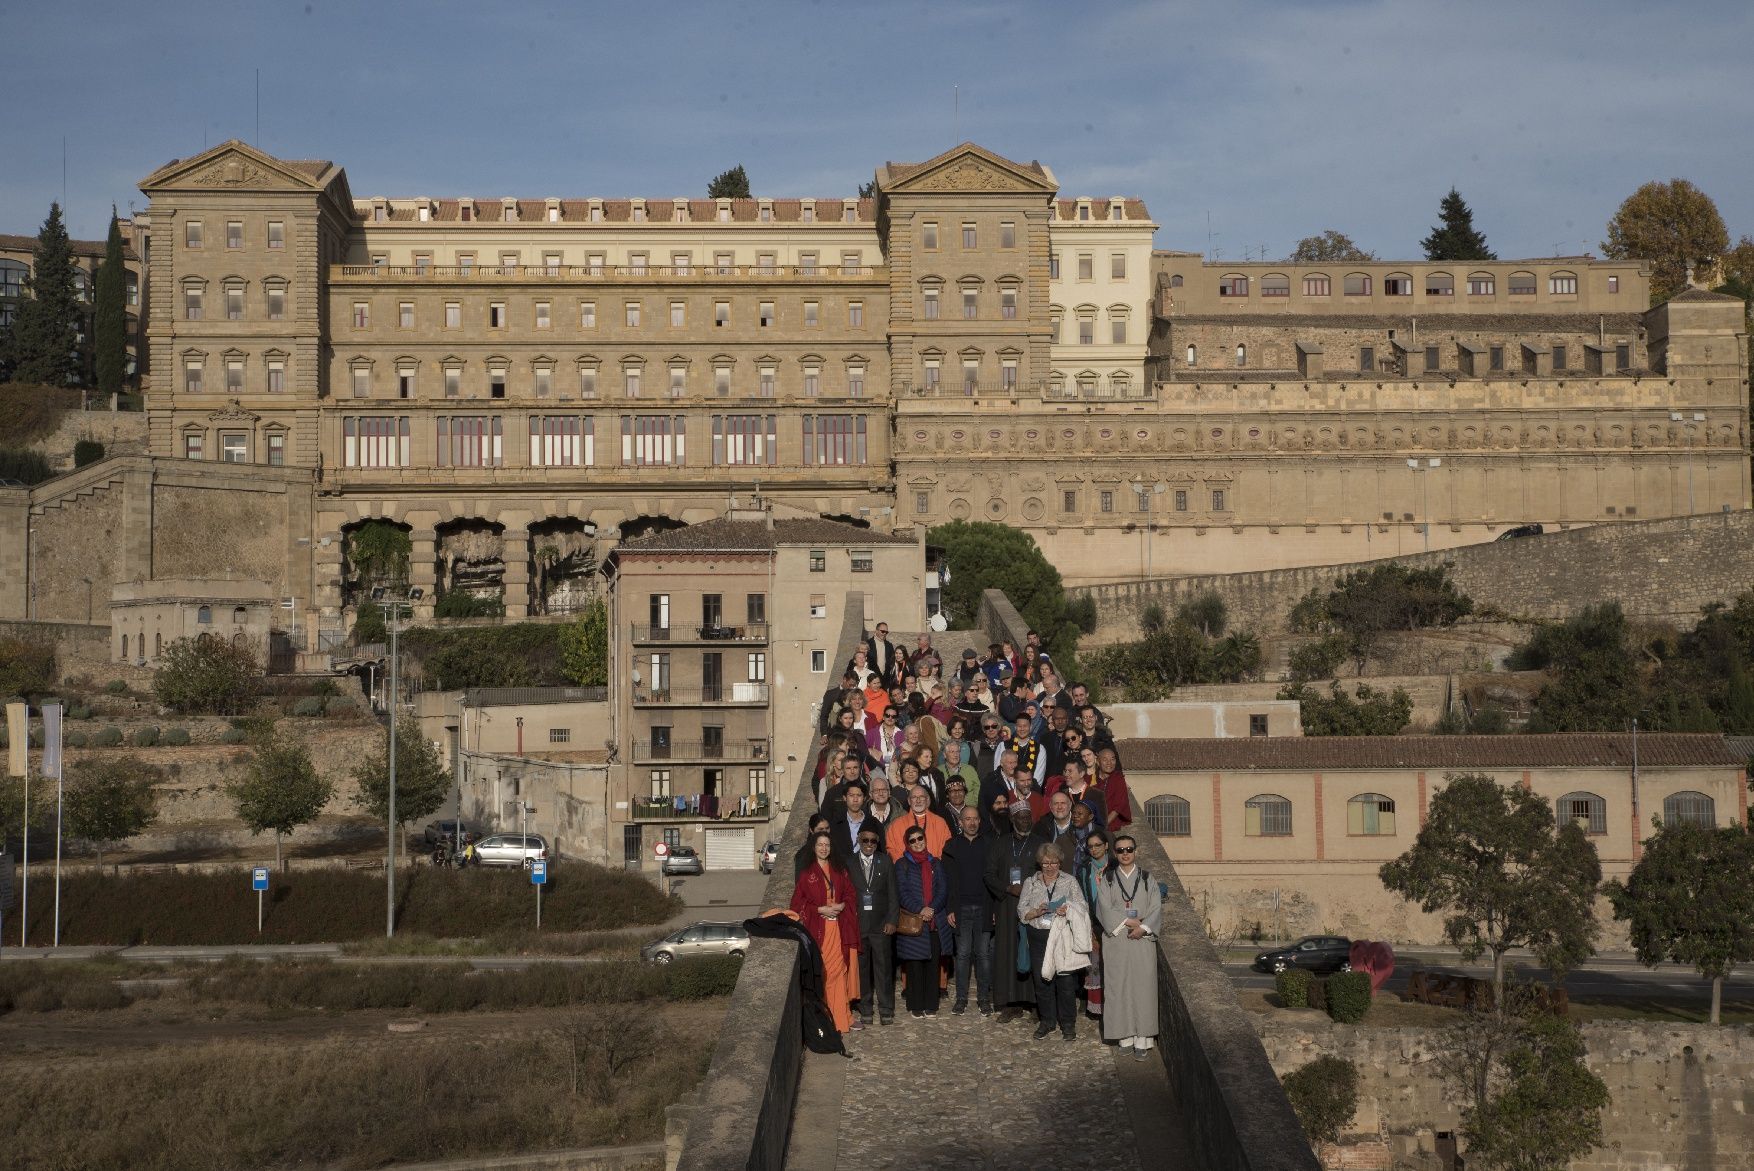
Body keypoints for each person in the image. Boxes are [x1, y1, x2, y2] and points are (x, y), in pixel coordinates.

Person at [1095, 833, 1162, 1058]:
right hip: (1118, 939)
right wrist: (1127, 921)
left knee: (1144, 988)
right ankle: (1123, 1036)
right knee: (1118, 987)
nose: (1125, 854)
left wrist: (1143, 928)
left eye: (1129, 849)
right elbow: (1102, 905)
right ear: (1115, 853)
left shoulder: (1146, 878)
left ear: (1136, 851)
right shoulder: (1109, 878)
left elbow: (1156, 907)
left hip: (1142, 937)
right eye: (1121, 850)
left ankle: (1143, 1040)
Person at [789, 830, 860, 1035]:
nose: (824, 848)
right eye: (820, 844)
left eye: (827, 845)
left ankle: (842, 1017)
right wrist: (820, 909)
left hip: (838, 928)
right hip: (818, 930)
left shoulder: (839, 870)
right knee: (824, 974)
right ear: (814, 847)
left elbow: (850, 893)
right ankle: (827, 1018)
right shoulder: (806, 874)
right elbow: (797, 904)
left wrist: (842, 905)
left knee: (839, 972)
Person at [1018, 842, 1091, 1040]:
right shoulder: (1031, 882)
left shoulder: (1070, 881)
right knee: (1042, 980)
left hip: (1061, 935)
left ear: (1060, 862)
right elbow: (1021, 908)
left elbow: (1083, 906)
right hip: (1038, 936)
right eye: (1045, 863)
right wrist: (1035, 911)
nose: (1050, 866)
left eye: (1054, 862)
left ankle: (1068, 1024)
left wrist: (1067, 909)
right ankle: (1047, 1022)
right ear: (1040, 863)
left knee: (1066, 981)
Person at [984, 802, 1040, 1021]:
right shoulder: (1001, 844)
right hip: (1007, 904)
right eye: (1020, 817)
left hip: (1034, 906)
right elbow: (988, 874)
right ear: (1012, 820)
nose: (1025, 821)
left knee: (1033, 949)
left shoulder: (1039, 843)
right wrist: (1007, 887)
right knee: (1008, 951)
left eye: (1028, 817)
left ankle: (1036, 1002)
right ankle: (1011, 1002)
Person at [894, 825, 951, 1017]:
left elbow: (943, 890)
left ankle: (931, 1005)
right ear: (907, 843)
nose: (917, 843)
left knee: (933, 964)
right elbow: (902, 893)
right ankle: (916, 1005)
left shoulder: (936, 863)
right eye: (913, 840)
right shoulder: (902, 865)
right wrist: (921, 909)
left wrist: (932, 908)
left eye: (920, 838)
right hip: (914, 921)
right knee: (915, 965)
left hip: (935, 920)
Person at [942, 805, 994, 1015]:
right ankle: (961, 999)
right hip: (961, 908)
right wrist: (950, 909)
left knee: (983, 955)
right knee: (962, 955)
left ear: (980, 821)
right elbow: (948, 882)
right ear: (960, 822)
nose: (971, 823)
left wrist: (994, 908)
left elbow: (994, 879)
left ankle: (983, 999)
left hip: (984, 907)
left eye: (975, 819)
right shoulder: (951, 846)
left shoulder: (990, 844)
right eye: (967, 819)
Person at [846, 826, 899, 1028]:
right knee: (862, 970)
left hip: (881, 925)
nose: (869, 844)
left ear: (878, 843)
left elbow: (894, 894)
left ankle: (886, 1009)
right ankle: (866, 1009)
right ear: (859, 840)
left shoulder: (885, 861)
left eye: (873, 841)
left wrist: (892, 920)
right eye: (865, 840)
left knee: (884, 969)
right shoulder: (849, 862)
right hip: (859, 926)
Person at [1075, 826, 1112, 1021]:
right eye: (1090, 846)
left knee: (1113, 965)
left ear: (1106, 846)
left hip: (1114, 922)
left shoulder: (1115, 866)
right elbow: (1080, 897)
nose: (1094, 849)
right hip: (1092, 920)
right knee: (1095, 963)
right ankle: (1097, 1007)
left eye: (1098, 845)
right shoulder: (1084, 868)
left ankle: (1113, 1005)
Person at [886, 781, 952, 860]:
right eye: (914, 797)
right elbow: (892, 851)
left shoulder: (940, 823)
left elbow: (947, 850)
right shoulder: (896, 825)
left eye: (921, 797)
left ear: (927, 800)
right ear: (909, 801)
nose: (918, 800)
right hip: (906, 871)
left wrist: (934, 866)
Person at [1029, 789, 1079, 873]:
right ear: (1050, 806)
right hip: (1049, 873)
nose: (1059, 807)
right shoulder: (1041, 826)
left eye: (1063, 803)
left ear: (1070, 805)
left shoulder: (1079, 824)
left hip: (1075, 872)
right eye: (1056, 804)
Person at [831, 781, 881, 862]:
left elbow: (880, 852)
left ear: (864, 798)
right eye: (851, 795)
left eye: (859, 795)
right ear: (844, 797)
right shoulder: (835, 823)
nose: (855, 799)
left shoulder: (874, 823)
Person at [1093, 746, 1134, 830]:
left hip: (1109, 825)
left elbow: (1118, 807)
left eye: (1112, 759)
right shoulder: (1092, 779)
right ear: (1097, 762)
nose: (1109, 763)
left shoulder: (1118, 779)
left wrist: (1102, 825)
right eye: (1105, 760)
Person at [866, 621, 903, 686]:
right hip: (871, 679)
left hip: (885, 680)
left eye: (886, 632)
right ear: (876, 631)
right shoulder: (868, 644)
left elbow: (892, 662)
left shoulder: (889, 645)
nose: (884, 633)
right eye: (882, 631)